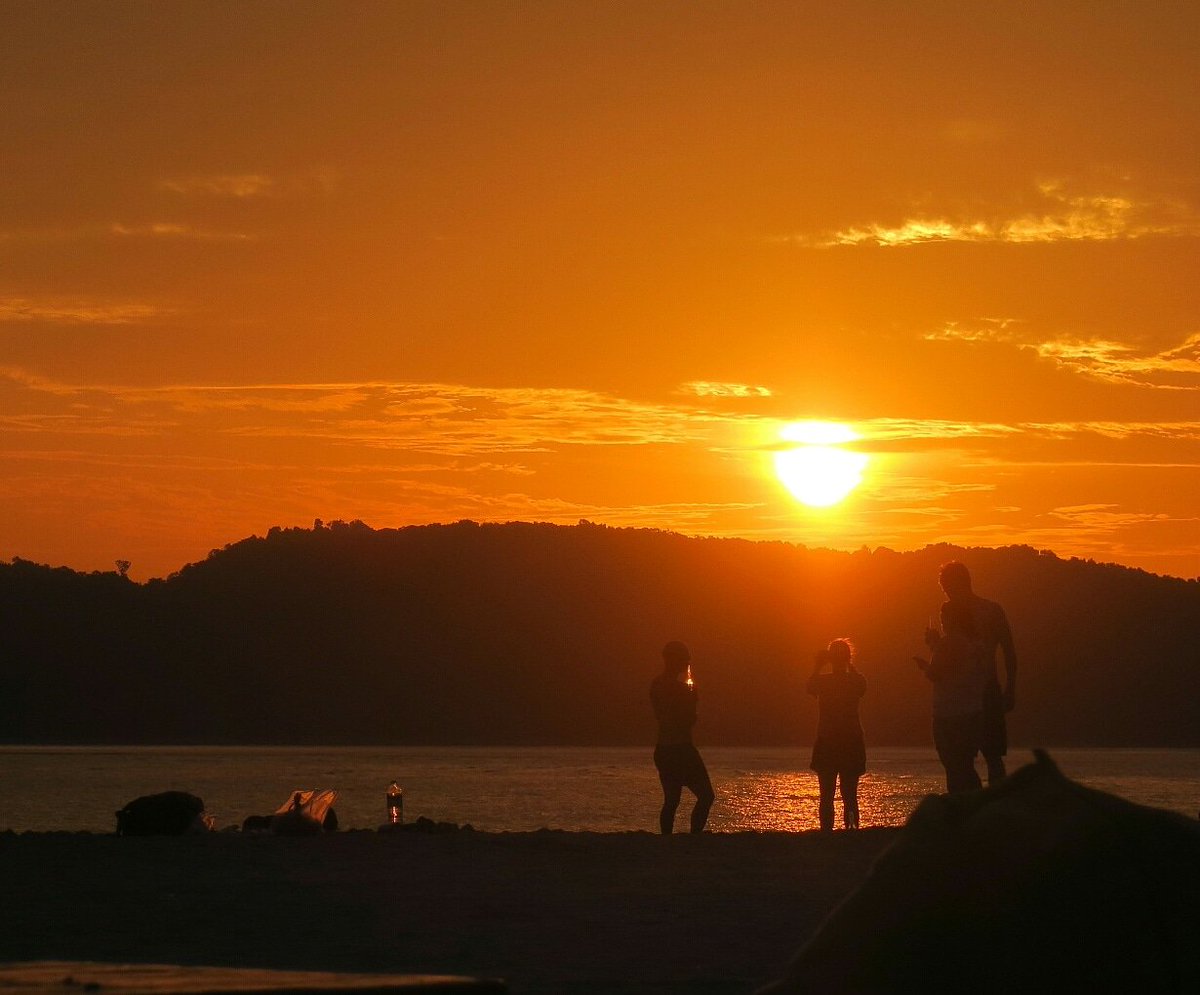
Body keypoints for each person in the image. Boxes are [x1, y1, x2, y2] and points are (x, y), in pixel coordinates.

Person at [930, 561, 1017, 784]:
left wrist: (1010, 689)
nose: (946, 592)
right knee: (969, 759)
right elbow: (952, 651)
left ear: (960, 583)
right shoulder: (951, 609)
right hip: (964, 694)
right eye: (944, 588)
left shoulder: (989, 610)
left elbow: (1008, 650)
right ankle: (981, 803)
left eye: (947, 586)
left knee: (990, 755)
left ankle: (988, 803)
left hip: (981, 692)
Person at [916, 600, 987, 793]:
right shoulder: (976, 643)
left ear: (951, 618)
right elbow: (956, 669)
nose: (941, 621)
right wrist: (935, 645)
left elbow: (936, 674)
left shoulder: (949, 642)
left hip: (949, 714)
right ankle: (975, 805)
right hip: (973, 712)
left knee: (952, 765)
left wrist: (925, 664)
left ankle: (959, 807)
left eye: (943, 617)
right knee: (965, 764)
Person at [650, 640, 715, 834]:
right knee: (706, 795)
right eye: (684, 659)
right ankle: (693, 836)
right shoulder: (678, 689)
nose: (687, 663)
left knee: (671, 800)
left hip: (665, 749)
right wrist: (692, 702)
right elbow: (685, 722)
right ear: (673, 660)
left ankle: (667, 839)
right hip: (680, 749)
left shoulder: (657, 684)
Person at [807, 638, 867, 830]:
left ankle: (827, 831)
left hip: (827, 740)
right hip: (852, 741)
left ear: (830, 658)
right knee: (850, 794)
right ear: (849, 657)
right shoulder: (857, 680)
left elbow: (810, 687)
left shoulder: (823, 682)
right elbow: (861, 686)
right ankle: (852, 830)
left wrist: (818, 665)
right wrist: (850, 665)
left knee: (826, 794)